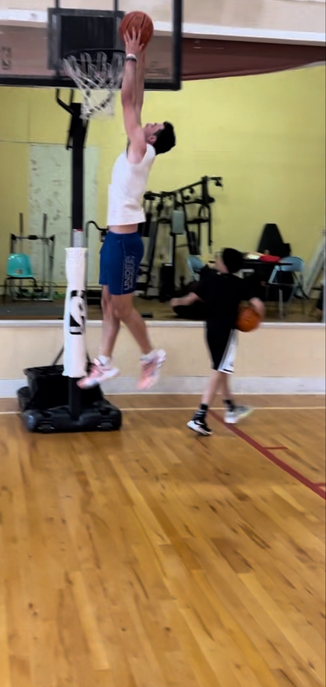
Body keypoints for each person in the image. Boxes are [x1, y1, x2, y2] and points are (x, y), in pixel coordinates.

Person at [78, 29, 176, 390]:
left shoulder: (140, 147)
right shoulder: (140, 147)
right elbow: (137, 99)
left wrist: (131, 56)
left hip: (125, 244)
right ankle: (104, 362)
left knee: (121, 308)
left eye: (154, 126)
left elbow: (126, 102)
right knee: (107, 303)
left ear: (152, 138)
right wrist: (142, 56)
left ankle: (151, 355)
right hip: (114, 240)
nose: (149, 122)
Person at [170, 248, 265, 436]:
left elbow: (189, 299)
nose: (216, 260)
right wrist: (258, 319)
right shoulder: (240, 284)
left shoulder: (210, 280)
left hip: (210, 331)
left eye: (218, 258)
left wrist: (176, 301)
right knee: (218, 370)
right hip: (226, 334)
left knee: (221, 369)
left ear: (224, 263)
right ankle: (200, 416)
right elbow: (258, 305)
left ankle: (231, 407)